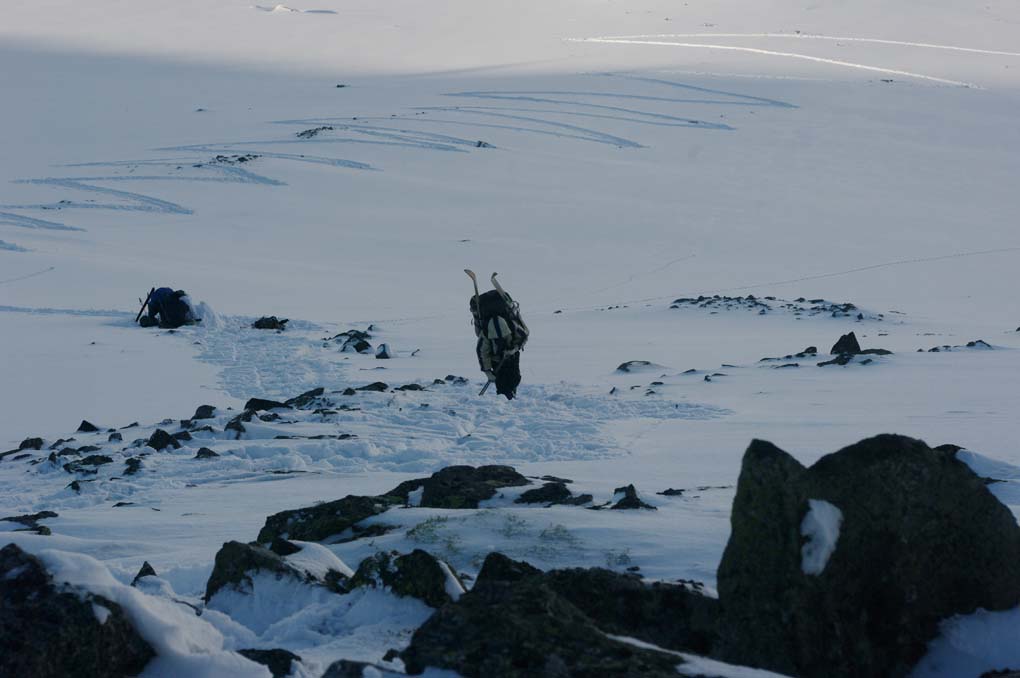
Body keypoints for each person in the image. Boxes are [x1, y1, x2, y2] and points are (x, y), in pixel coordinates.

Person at [466, 270, 529, 399]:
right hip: (497, 360)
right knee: (504, 383)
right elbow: (482, 352)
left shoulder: (510, 327)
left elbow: (523, 337)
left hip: (511, 356)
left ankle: (509, 397)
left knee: (514, 378)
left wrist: (512, 350)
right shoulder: (487, 333)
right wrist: (487, 371)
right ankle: (507, 399)